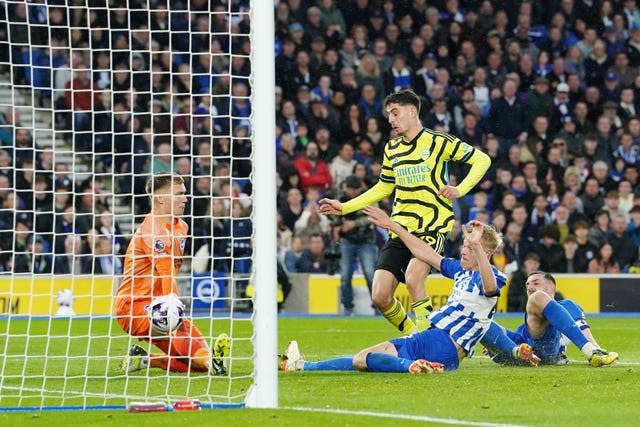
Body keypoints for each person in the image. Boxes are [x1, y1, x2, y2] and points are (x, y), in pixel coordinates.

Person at [319, 89, 491, 335]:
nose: (391, 119)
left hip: (431, 227)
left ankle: (429, 340)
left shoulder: (438, 141)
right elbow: (384, 186)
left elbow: (482, 160)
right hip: (399, 229)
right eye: (389, 114)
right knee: (380, 295)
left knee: (413, 278)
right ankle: (415, 335)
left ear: (412, 112)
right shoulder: (392, 149)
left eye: (395, 113)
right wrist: (345, 207)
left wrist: (460, 189)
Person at [281, 213, 528, 374]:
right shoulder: (460, 271)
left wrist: (477, 246)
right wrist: (393, 226)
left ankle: (413, 366)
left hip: (441, 341)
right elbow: (425, 251)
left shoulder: (493, 276)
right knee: (362, 360)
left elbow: (490, 289)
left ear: (484, 253)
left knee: (365, 358)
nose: (464, 251)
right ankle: (302, 366)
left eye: (470, 248)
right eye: (464, 246)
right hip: (443, 349)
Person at [114, 175, 229, 374]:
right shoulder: (152, 230)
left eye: (184, 194)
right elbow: (167, 272)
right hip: (133, 306)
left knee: (195, 362)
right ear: (161, 198)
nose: (185, 199)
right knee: (180, 332)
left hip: (159, 302)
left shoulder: (181, 226)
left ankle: (146, 360)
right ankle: (213, 362)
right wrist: (173, 305)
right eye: (179, 194)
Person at [482, 271, 619, 367]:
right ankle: (516, 352)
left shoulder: (568, 306)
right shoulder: (533, 313)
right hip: (522, 347)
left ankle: (593, 351)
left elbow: (581, 327)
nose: (530, 287)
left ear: (551, 287)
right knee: (479, 320)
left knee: (562, 303)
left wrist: (597, 348)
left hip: (545, 347)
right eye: (528, 285)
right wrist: (496, 340)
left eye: (535, 283)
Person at [335, 175, 378, 315]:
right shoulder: (340, 198)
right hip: (347, 240)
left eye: (355, 189)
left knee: (371, 274)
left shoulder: (368, 197)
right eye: (350, 189)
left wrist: (354, 224)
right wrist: (338, 226)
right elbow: (333, 217)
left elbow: (375, 216)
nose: (352, 192)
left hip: (366, 240)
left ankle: (378, 306)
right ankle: (347, 307)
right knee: (345, 275)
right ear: (345, 187)